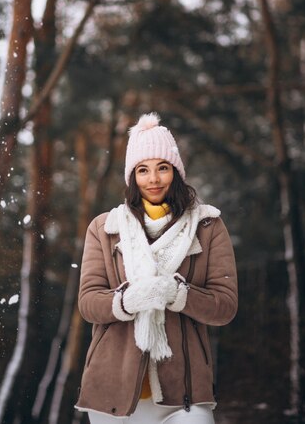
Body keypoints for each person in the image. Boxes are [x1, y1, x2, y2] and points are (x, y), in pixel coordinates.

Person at [75, 113, 238, 424]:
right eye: (143, 170)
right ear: (132, 176)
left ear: (175, 172)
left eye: (162, 168)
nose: (153, 179)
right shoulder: (105, 227)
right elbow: (88, 303)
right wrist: (126, 301)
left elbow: (224, 307)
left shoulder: (208, 226)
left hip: (184, 392)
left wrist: (177, 293)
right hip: (113, 393)